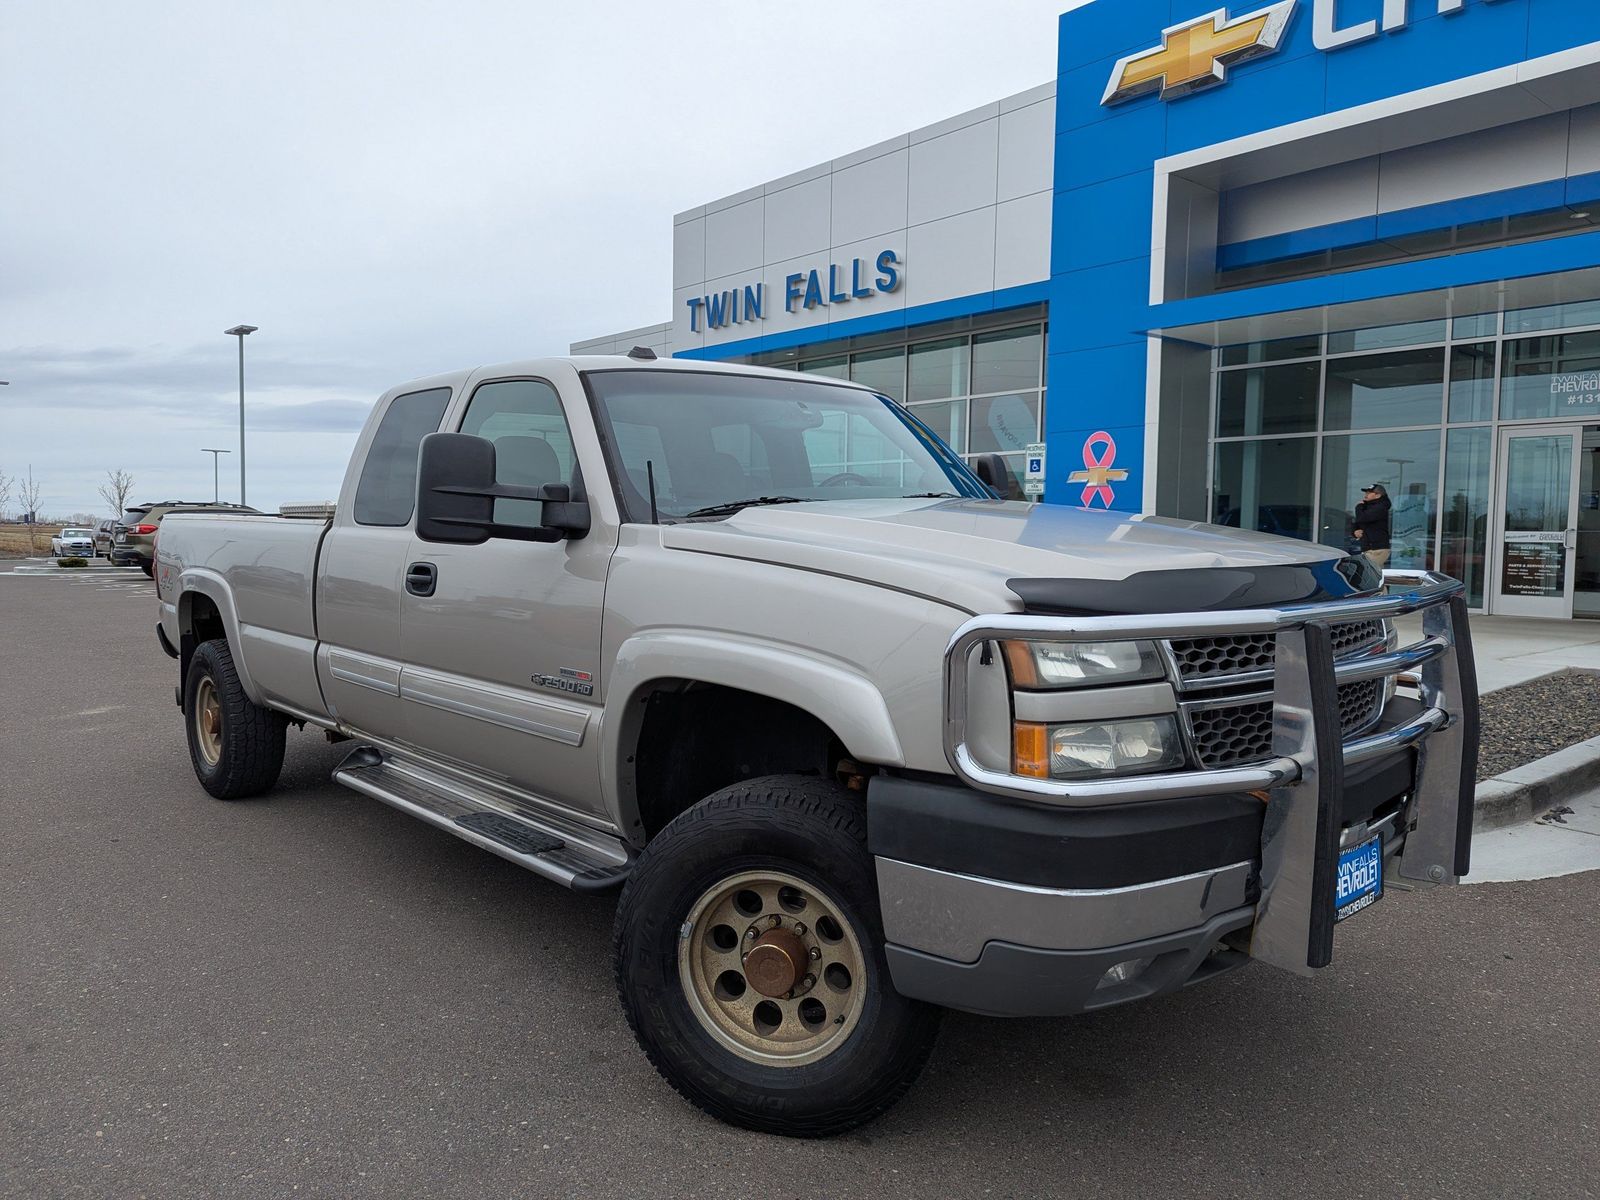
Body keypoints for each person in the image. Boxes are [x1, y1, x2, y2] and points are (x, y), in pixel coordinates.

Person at [1352, 483, 1392, 569]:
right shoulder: (1367, 507)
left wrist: (1358, 507)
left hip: (1377, 549)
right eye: (1366, 493)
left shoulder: (1381, 507)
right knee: (1376, 577)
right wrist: (1355, 532)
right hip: (1368, 548)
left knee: (1365, 573)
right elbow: (1358, 523)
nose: (1366, 495)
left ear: (1377, 495)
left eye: (1369, 493)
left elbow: (1363, 518)